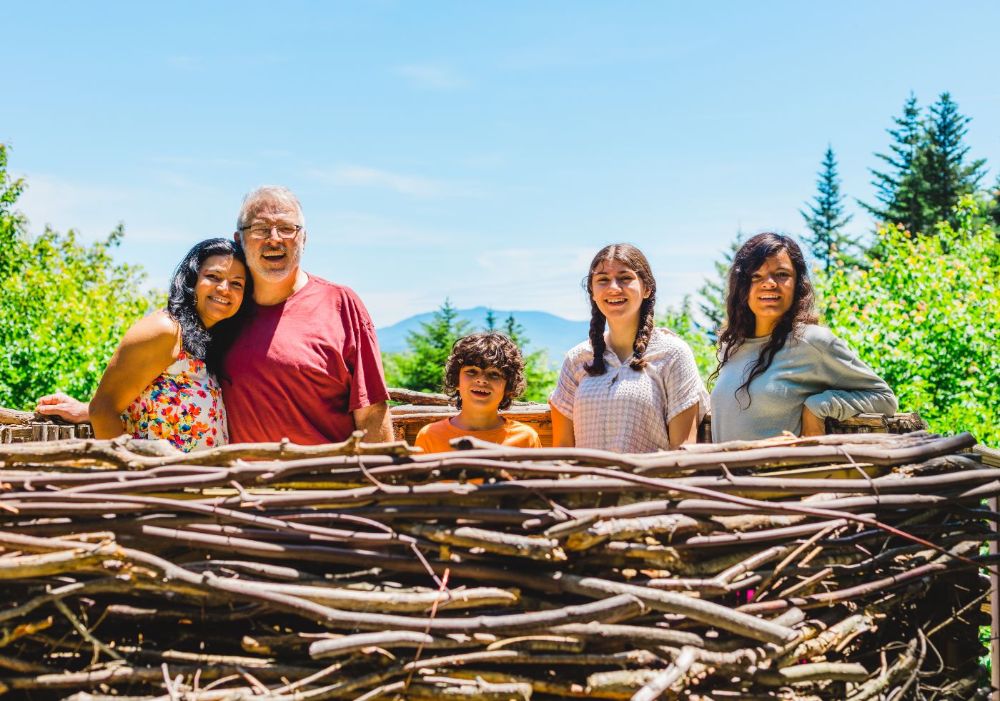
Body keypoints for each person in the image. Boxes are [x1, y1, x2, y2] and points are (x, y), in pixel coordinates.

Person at [36, 238, 252, 452]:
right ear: (191, 279)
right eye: (213, 276)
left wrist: (84, 411)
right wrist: (131, 471)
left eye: (237, 283)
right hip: (152, 474)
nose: (224, 289)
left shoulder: (205, 343)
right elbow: (103, 410)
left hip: (194, 475)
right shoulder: (166, 330)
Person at [223, 186, 392, 444]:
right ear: (239, 240)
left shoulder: (341, 305)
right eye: (260, 229)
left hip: (326, 470)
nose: (274, 239)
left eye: (287, 228)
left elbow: (371, 412)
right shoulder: (224, 309)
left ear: (304, 238)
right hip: (237, 471)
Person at [709, 232, 897, 443]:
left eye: (781, 274)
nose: (769, 283)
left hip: (782, 466)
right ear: (742, 286)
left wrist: (818, 406)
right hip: (724, 465)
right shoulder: (732, 346)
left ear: (798, 283)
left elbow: (884, 398)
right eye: (756, 276)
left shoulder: (813, 342)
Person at [549, 243, 709, 452]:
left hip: (649, 474)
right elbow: (562, 447)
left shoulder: (672, 354)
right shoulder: (577, 359)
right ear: (593, 292)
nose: (613, 288)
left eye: (625, 278)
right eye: (603, 280)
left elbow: (682, 449)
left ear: (647, 289)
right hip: (585, 475)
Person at [414, 332, 541, 453]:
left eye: (494, 374)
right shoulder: (430, 436)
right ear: (456, 380)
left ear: (508, 386)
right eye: (472, 371)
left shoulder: (526, 438)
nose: (482, 380)